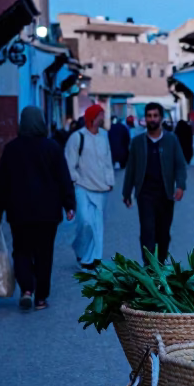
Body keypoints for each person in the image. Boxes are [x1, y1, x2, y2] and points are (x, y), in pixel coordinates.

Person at [0, 105, 75, 310]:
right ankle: (41, 298)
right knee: (44, 254)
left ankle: (27, 289)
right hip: (47, 213)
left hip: (19, 213)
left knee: (21, 250)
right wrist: (69, 205)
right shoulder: (53, 147)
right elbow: (63, 178)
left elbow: (2, 182)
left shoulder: (12, 149)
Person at [123, 101, 188, 263]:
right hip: (145, 194)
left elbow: (180, 165)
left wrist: (180, 185)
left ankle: (161, 263)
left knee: (163, 233)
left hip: (165, 194)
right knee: (147, 231)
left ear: (161, 118)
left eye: (155, 116)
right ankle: (149, 268)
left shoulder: (171, 140)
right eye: (149, 116)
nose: (152, 119)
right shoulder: (138, 142)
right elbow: (131, 167)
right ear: (145, 118)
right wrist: (126, 192)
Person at [65, 103, 114, 268]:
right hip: (82, 187)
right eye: (101, 114)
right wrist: (75, 178)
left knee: (98, 225)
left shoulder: (104, 136)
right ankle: (79, 249)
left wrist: (110, 180)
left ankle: (93, 259)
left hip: (102, 188)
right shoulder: (77, 137)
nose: (103, 117)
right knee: (85, 222)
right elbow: (69, 162)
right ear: (94, 117)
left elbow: (107, 160)